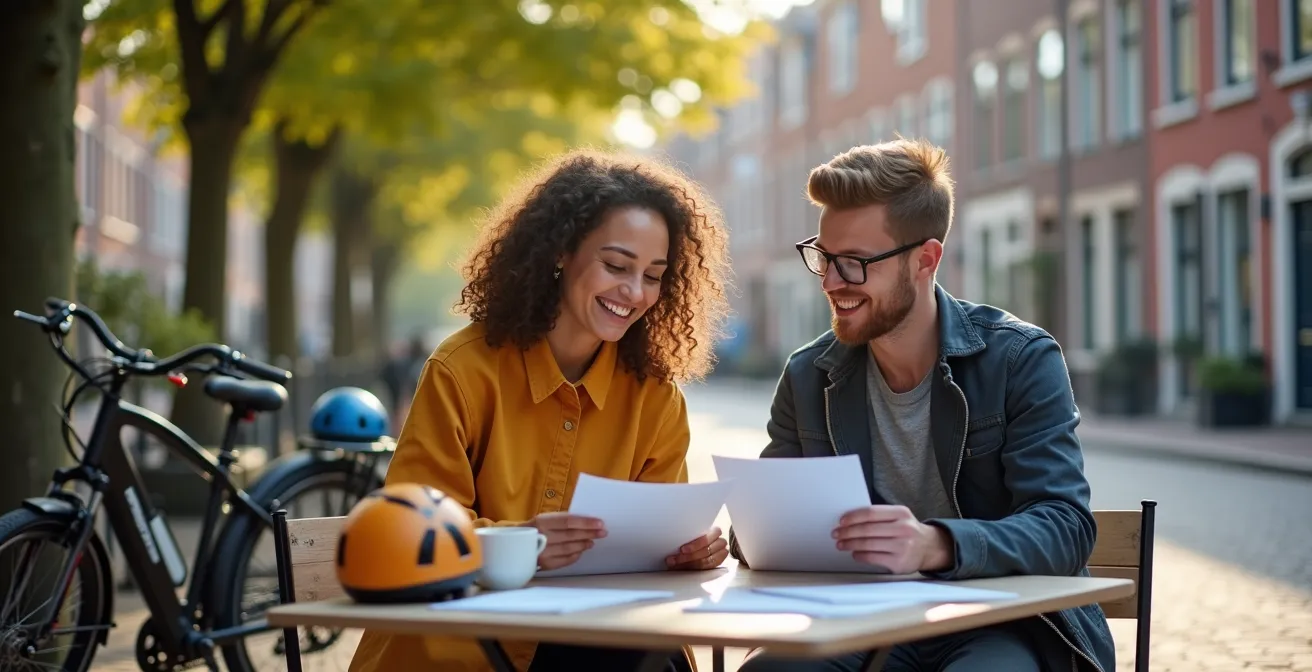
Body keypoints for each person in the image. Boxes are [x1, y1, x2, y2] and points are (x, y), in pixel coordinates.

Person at [729, 139, 1115, 672]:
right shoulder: (807, 375)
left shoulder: (1020, 359)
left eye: (856, 263)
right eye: (824, 257)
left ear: (924, 260)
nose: (833, 282)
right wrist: (747, 534)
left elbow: (1065, 526)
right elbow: (759, 535)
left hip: (1003, 621)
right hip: (859, 619)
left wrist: (933, 545)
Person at [348, 148, 733, 672]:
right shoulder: (463, 370)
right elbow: (414, 529)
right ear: (560, 253)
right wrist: (520, 544)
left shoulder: (656, 396)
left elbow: (653, 550)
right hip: (459, 644)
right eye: (617, 265)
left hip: (599, 639)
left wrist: (685, 553)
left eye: (653, 274)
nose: (634, 291)